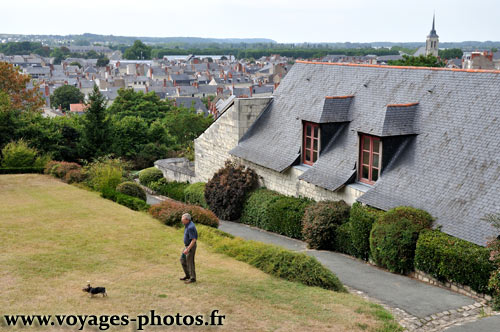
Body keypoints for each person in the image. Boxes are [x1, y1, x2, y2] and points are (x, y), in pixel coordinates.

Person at [180, 213, 197, 284]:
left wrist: (188, 249)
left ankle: (192, 278)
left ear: (187, 220)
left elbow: (194, 240)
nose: (181, 221)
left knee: (190, 262)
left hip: (190, 247)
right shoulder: (187, 224)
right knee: (182, 260)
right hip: (187, 246)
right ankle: (187, 275)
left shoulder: (190, 227)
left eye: (183, 220)